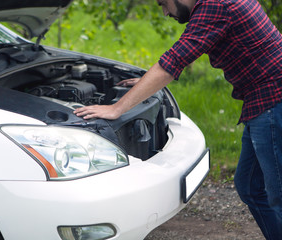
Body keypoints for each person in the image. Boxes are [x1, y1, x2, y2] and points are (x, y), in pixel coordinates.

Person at [74, 0, 282, 238]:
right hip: (263, 102)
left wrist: (116, 109)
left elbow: (173, 62)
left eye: (164, 4)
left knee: (278, 196)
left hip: (274, 101)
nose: (165, 13)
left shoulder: (216, 6)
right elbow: (189, 48)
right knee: (250, 187)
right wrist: (144, 86)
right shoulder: (214, 6)